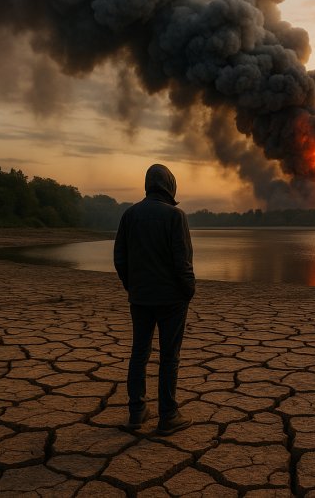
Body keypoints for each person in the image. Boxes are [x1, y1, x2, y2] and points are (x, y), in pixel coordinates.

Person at [114, 164, 195, 436]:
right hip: (171, 300)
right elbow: (182, 260)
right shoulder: (176, 216)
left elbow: (120, 259)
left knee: (140, 353)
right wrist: (189, 290)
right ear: (170, 185)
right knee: (169, 358)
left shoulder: (130, 215)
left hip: (141, 298)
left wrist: (132, 287)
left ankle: (137, 412)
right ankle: (168, 415)